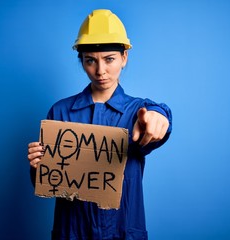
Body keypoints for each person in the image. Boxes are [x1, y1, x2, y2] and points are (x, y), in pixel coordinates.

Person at [28, 9, 172, 240]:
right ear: (82, 60)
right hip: (72, 232)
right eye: (90, 61)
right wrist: (38, 167)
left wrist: (160, 116)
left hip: (122, 232)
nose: (100, 71)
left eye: (109, 59)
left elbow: (158, 120)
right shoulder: (60, 111)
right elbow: (48, 183)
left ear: (124, 57)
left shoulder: (138, 111)